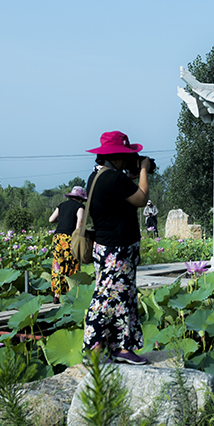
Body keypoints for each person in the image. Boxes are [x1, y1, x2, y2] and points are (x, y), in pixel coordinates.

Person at [83, 130, 152, 365]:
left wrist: (131, 176)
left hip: (109, 248)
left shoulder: (99, 175)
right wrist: (143, 170)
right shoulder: (113, 178)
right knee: (105, 299)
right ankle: (94, 348)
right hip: (116, 250)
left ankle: (121, 347)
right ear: (118, 155)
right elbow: (141, 199)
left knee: (122, 298)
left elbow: (117, 197)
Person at [47, 185, 87, 301]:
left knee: (58, 264)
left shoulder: (61, 205)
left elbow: (51, 219)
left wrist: (62, 221)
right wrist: (77, 236)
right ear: (80, 198)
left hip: (57, 237)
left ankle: (56, 294)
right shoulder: (80, 207)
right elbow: (79, 221)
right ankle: (72, 292)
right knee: (72, 263)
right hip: (69, 237)